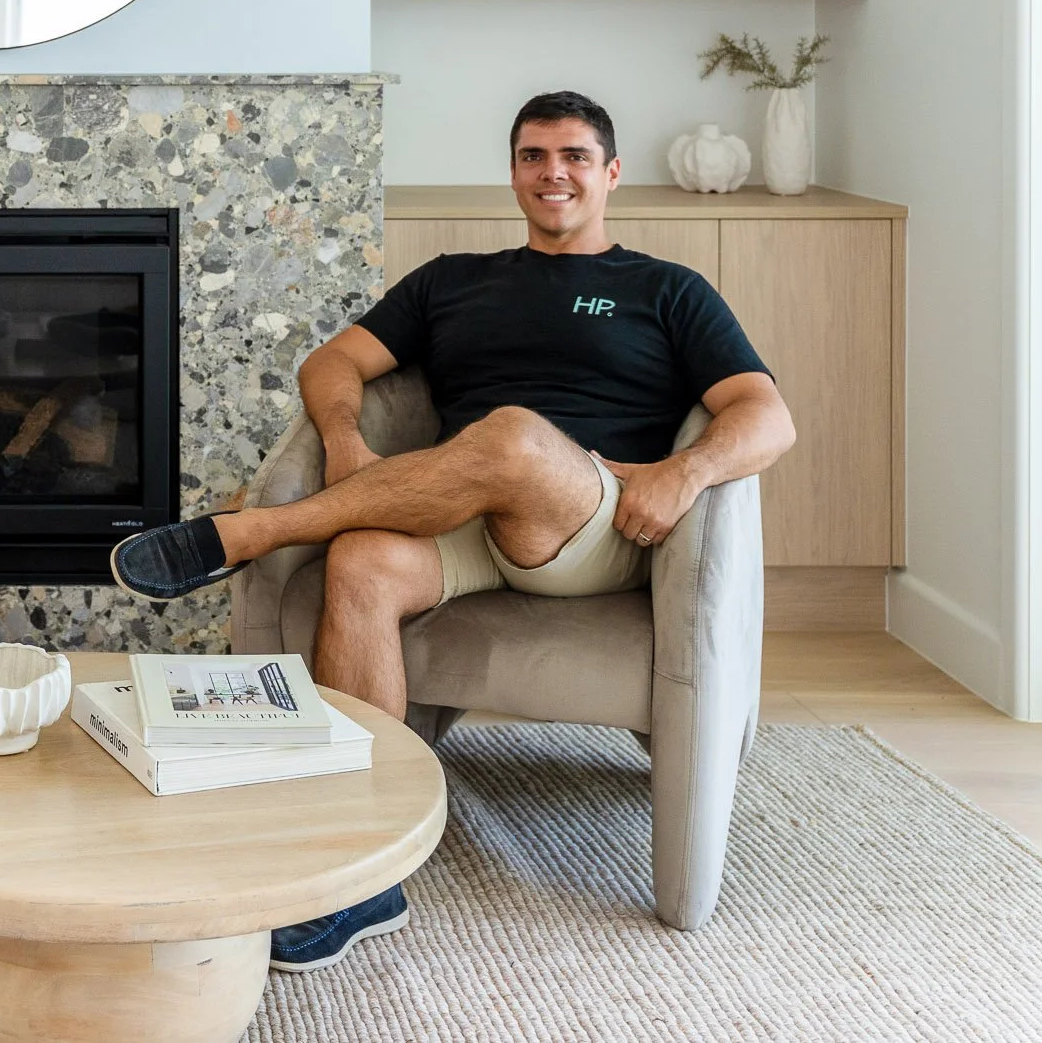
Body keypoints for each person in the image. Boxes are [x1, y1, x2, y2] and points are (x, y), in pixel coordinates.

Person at [110, 90, 795, 972]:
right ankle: (363, 870)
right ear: (512, 172)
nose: (553, 172)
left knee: (512, 436)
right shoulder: (452, 281)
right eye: (534, 155)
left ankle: (254, 531)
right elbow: (334, 361)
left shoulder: (666, 290)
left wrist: (685, 472)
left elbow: (767, 415)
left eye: (575, 156)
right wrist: (346, 440)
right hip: (461, 524)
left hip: (595, 525)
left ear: (611, 173)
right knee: (359, 561)